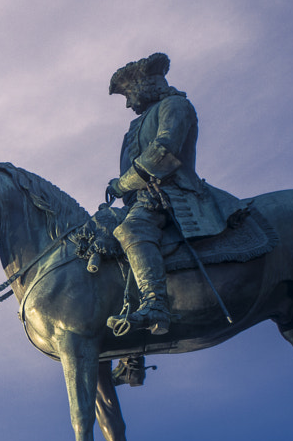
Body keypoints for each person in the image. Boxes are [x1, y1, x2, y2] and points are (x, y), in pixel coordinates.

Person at [102, 52, 244, 335]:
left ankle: (156, 305)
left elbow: (163, 153)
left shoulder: (176, 106)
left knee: (132, 231)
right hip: (142, 199)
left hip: (173, 194)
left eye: (129, 95)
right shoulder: (135, 126)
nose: (129, 103)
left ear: (146, 85)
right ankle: (131, 355)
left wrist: (121, 184)